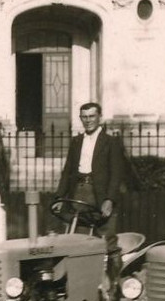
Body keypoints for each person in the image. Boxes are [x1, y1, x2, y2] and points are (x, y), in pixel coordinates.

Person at [54, 102, 130, 275]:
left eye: (92, 116)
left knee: (108, 241)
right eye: (84, 117)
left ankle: (114, 286)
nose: (88, 120)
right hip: (79, 194)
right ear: (80, 118)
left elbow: (116, 174)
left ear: (99, 117)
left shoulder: (111, 142)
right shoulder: (76, 141)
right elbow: (68, 171)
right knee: (79, 242)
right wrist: (59, 197)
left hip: (101, 196)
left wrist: (109, 200)